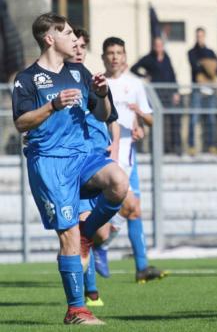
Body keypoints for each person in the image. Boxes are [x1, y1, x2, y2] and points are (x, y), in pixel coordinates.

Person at [11, 13, 128, 325]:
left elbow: (103, 115)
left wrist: (102, 94)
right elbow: (20, 122)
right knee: (69, 236)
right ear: (50, 39)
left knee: (118, 181)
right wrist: (52, 105)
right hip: (50, 162)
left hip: (82, 156)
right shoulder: (27, 79)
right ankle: (76, 310)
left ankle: (89, 236)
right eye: (66, 34)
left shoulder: (79, 71)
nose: (74, 40)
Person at [91, 36, 168, 284]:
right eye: (110, 52)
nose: (114, 57)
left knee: (134, 212)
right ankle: (100, 245)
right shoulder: (97, 84)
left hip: (128, 154)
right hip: (107, 154)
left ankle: (141, 267)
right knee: (129, 208)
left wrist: (139, 124)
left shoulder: (134, 85)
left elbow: (150, 119)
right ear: (104, 57)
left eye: (119, 52)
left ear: (125, 57)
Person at [69, 28, 120, 307]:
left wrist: (114, 143)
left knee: (97, 231)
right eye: (74, 45)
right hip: (78, 164)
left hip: (99, 162)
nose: (79, 50)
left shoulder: (92, 80)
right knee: (79, 231)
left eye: (83, 45)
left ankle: (87, 283)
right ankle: (87, 293)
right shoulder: (59, 80)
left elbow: (111, 116)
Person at [131, 37, 181, 154]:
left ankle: (172, 148)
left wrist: (176, 92)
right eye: (156, 45)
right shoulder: (149, 58)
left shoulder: (167, 58)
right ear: (154, 46)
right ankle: (155, 148)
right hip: (155, 97)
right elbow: (134, 68)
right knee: (155, 122)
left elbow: (172, 75)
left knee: (172, 121)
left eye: (160, 45)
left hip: (168, 95)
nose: (158, 47)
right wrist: (144, 76)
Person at [188, 27, 217, 155]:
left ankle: (211, 145)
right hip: (197, 89)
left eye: (201, 36)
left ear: (204, 36)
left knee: (211, 118)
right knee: (194, 118)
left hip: (210, 90)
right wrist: (207, 65)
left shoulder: (210, 51)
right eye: (197, 36)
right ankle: (191, 146)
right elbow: (195, 66)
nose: (199, 38)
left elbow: (216, 67)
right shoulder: (191, 52)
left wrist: (205, 64)